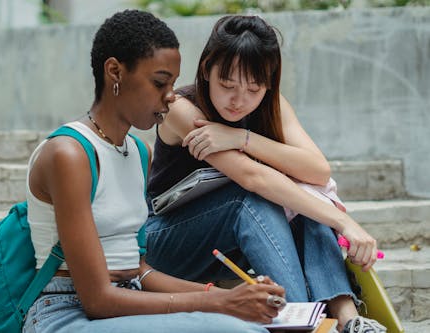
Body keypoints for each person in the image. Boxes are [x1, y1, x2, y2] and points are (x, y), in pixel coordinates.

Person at [23, 10, 285, 333]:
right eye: (160, 82)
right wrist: (220, 302)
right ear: (114, 72)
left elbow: (141, 271)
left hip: (130, 301)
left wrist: (230, 296)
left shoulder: (138, 151)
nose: (171, 95)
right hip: (65, 313)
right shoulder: (69, 154)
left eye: (173, 83)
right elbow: (98, 300)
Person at [145, 15, 386, 333]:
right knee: (253, 198)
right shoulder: (178, 107)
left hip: (229, 244)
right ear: (206, 70)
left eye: (253, 88)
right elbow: (252, 177)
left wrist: (241, 138)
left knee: (302, 194)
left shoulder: (271, 105)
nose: (238, 100)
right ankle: (303, 323)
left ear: (268, 82)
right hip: (167, 242)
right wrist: (344, 221)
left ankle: (347, 319)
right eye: (227, 85)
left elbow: (317, 170)